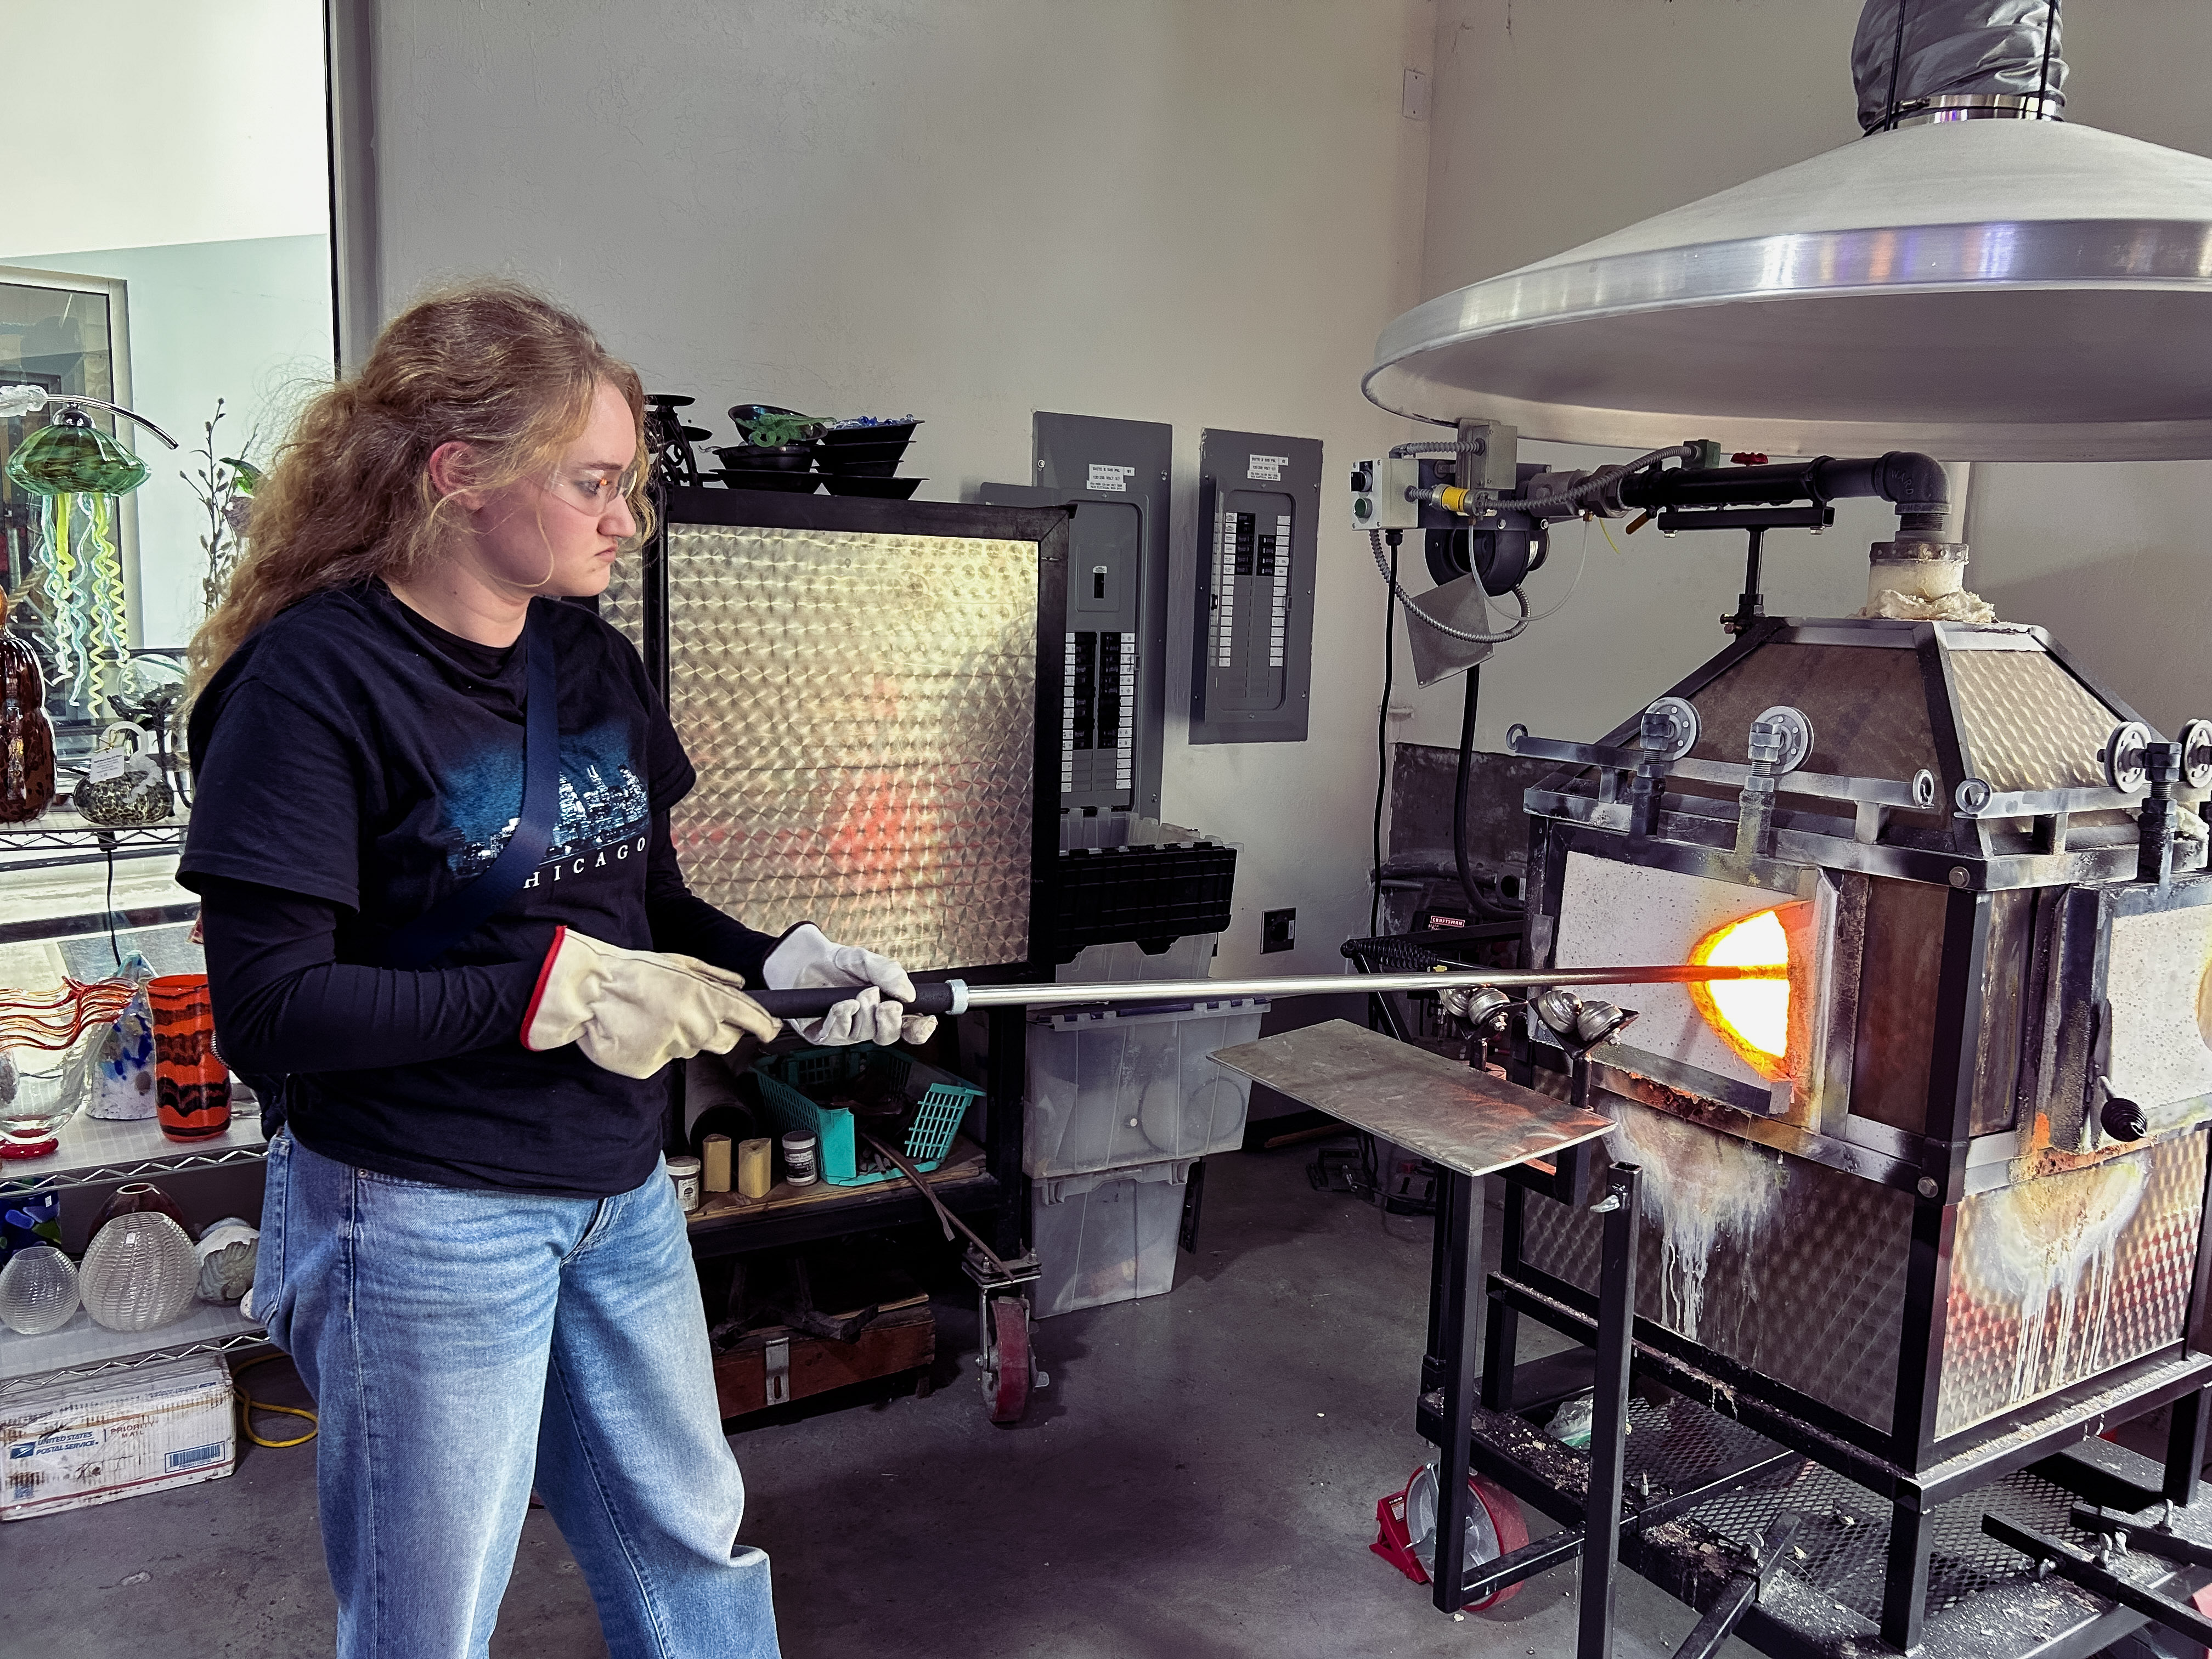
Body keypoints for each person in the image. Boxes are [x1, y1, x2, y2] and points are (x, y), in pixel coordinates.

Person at [181, 282, 932, 1659]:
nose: (623, 519)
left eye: (626, 483)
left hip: (614, 1192)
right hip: (418, 1211)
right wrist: (556, 996)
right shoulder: (311, 689)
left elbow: (641, 900)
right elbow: (270, 1013)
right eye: (591, 482)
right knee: (430, 1619)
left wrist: (783, 963)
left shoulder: (587, 659)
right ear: (458, 475)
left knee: (690, 1545)